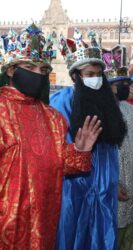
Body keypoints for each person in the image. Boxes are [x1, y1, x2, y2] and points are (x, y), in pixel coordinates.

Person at [0, 24, 102, 249]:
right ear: (10, 70)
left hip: (44, 221)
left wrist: (79, 150)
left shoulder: (53, 118)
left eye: (43, 71)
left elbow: (57, 164)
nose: (38, 75)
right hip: (6, 224)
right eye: (30, 67)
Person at [50, 29, 127, 249]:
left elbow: (112, 147)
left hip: (104, 187)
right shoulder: (59, 104)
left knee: (103, 237)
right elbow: (57, 153)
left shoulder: (108, 103)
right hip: (73, 190)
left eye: (98, 74)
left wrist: (115, 180)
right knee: (72, 236)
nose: (95, 79)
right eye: (89, 74)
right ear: (75, 76)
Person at [102, 46, 133, 249]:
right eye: (118, 84)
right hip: (112, 193)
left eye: (125, 83)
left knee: (131, 238)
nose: (124, 87)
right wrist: (111, 185)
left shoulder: (130, 110)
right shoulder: (100, 113)